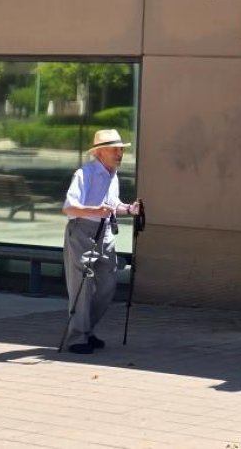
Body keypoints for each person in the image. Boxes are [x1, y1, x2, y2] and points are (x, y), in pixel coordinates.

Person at [61, 128, 142, 355]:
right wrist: (95, 210)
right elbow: (69, 207)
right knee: (82, 287)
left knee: (108, 285)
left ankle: (86, 329)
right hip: (82, 232)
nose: (119, 154)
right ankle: (77, 337)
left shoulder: (112, 174)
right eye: (114, 149)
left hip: (105, 232)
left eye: (120, 150)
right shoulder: (84, 174)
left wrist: (128, 209)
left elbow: (112, 202)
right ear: (100, 152)